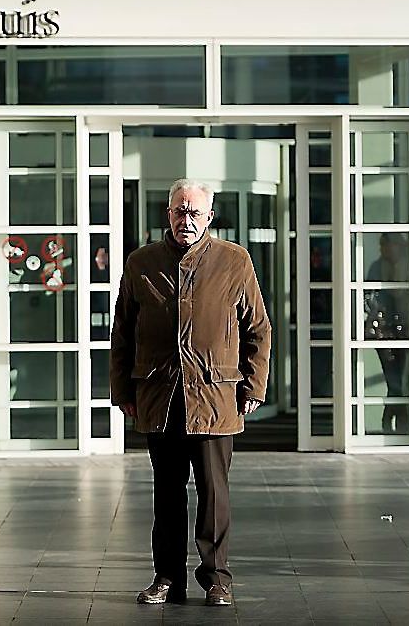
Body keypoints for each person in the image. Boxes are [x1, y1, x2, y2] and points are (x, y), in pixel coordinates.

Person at [109, 178, 271, 607]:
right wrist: (122, 389)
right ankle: (166, 578)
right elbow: (122, 332)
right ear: (168, 214)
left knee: (214, 494)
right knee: (166, 493)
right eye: (180, 211)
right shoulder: (142, 262)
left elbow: (258, 328)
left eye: (195, 212)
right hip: (160, 397)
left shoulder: (234, 261)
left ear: (209, 217)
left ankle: (217, 578)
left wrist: (253, 385)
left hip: (215, 398)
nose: (187, 219)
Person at [365, 233, 409, 434]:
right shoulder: (377, 267)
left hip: (407, 330)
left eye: (387, 245)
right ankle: (399, 422)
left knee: (400, 380)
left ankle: (395, 421)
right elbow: (369, 296)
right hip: (383, 332)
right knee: (393, 378)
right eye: (382, 245)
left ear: (398, 246)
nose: (383, 249)